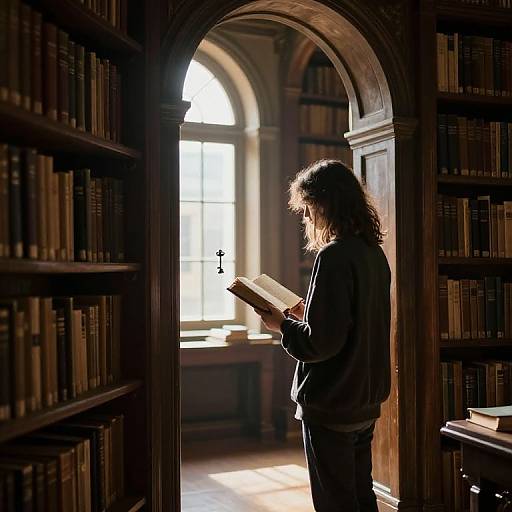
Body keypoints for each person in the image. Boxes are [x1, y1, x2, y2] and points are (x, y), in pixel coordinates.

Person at [253, 159, 391, 512]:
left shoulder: (333, 256)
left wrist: (281, 325)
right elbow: (356, 322)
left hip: (332, 402)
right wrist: (305, 312)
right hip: (365, 397)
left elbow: (319, 344)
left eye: (309, 208)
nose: (308, 219)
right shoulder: (373, 254)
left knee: (335, 503)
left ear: (326, 203)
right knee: (362, 495)